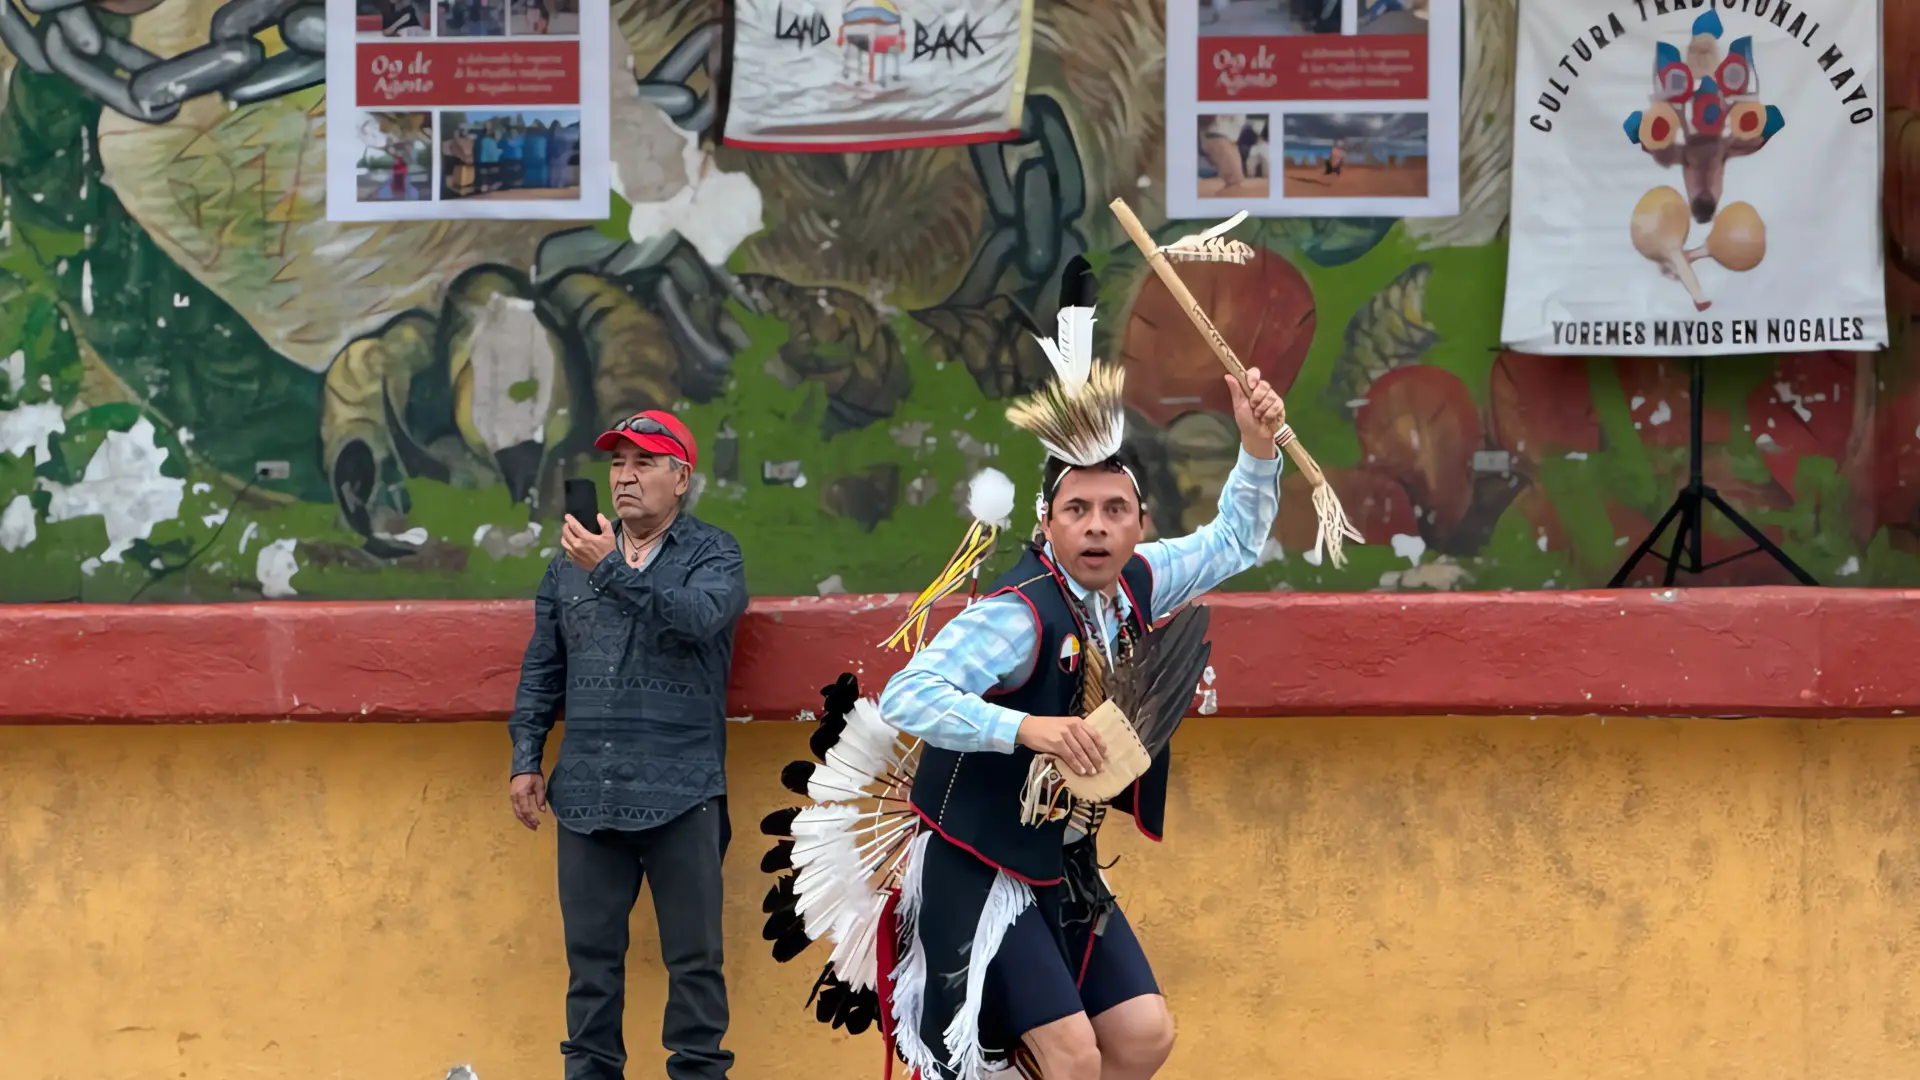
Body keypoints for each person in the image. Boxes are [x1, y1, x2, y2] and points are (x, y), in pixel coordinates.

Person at [757, 257, 1286, 1080]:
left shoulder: (1140, 579)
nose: (1099, 527)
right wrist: (1029, 726)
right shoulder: (1019, 613)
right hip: (977, 859)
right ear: (1047, 524)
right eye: (1078, 509)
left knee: (1143, 1037)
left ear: (1140, 521)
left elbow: (1236, 542)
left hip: (1061, 862)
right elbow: (912, 692)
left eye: (1116, 510)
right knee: (1070, 1057)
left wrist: (1257, 451)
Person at [508, 409, 746, 1080]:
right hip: (584, 793)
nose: (625, 478)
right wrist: (526, 758)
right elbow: (541, 671)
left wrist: (611, 569)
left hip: (683, 792)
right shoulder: (567, 569)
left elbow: (700, 619)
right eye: (617, 464)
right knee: (590, 972)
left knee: (695, 968)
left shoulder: (712, 554)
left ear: (682, 478)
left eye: (644, 463)